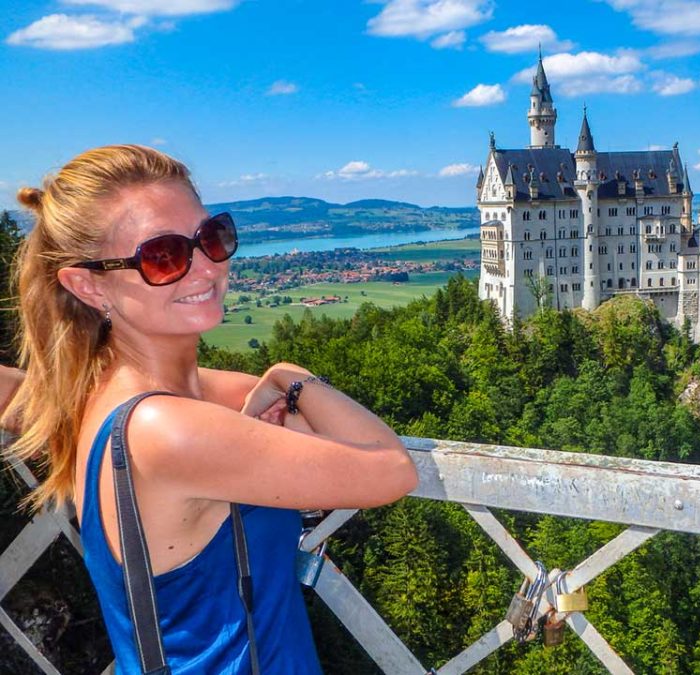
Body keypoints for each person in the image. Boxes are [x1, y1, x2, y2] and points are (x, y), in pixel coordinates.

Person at [0, 145, 419, 673]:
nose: (203, 269)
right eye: (163, 256)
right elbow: (390, 468)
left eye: (211, 238)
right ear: (87, 285)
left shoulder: (96, 392)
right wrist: (292, 376)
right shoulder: (167, 429)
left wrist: (273, 390)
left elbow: (239, 390)